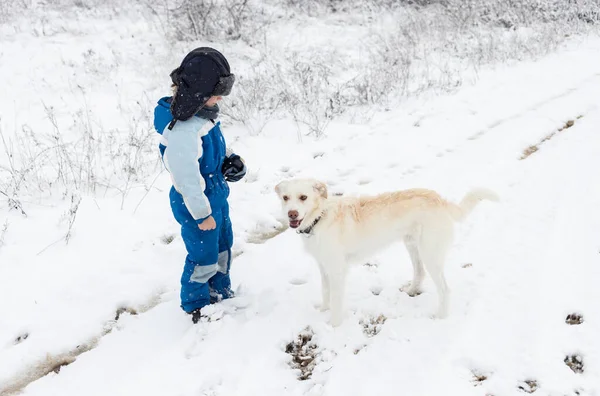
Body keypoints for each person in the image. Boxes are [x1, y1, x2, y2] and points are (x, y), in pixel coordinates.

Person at [153, 47, 247, 324]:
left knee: (222, 246)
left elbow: (212, 150)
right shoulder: (183, 130)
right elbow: (186, 178)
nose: (220, 99)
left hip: (215, 195)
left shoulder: (203, 116)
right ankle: (196, 304)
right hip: (196, 203)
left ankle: (219, 290)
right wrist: (201, 214)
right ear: (197, 91)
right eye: (216, 93)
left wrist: (230, 160)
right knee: (203, 255)